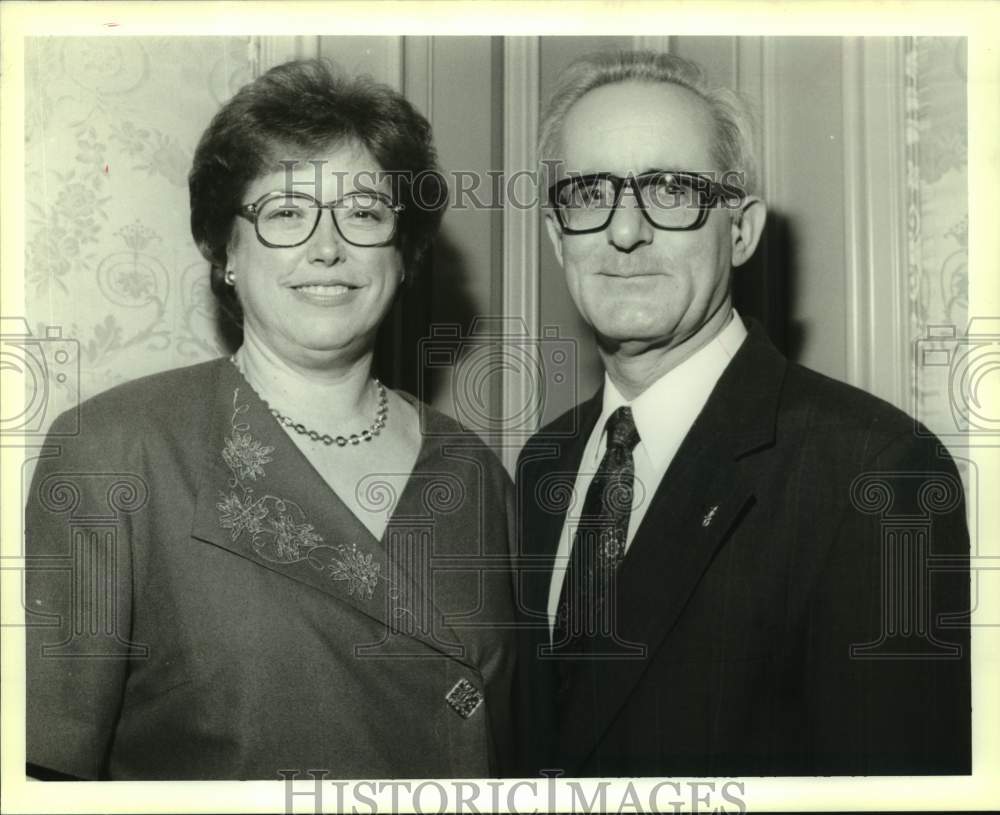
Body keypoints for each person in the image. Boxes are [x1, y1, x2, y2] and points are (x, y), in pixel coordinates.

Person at [25, 59, 515, 780]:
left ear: (404, 253)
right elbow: (48, 776)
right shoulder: (115, 455)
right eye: (286, 212)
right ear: (225, 249)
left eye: (365, 212)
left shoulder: (476, 472)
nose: (328, 246)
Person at [514, 50, 970, 777]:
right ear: (555, 234)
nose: (624, 231)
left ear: (742, 230)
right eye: (589, 192)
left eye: (669, 189)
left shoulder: (872, 470)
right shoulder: (545, 460)